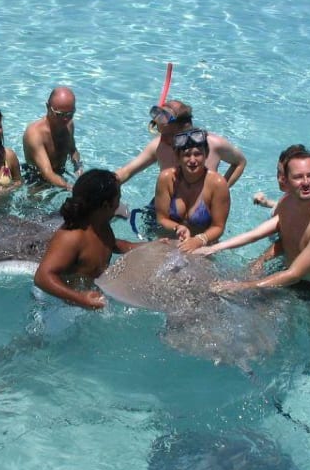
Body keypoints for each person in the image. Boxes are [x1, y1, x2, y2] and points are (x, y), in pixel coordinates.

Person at [203, 149, 310, 301]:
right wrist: (211, 248)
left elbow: (294, 274)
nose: (306, 182)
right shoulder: (287, 202)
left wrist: (239, 286)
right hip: (289, 272)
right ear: (286, 181)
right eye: (298, 177)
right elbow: (257, 234)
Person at [34, 169, 140, 309]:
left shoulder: (100, 224)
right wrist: (81, 299)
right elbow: (42, 277)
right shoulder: (72, 237)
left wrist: (149, 246)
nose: (118, 205)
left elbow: (111, 244)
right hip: (61, 304)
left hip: (89, 296)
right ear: (105, 205)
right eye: (118, 199)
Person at [116, 99, 246, 188]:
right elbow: (127, 171)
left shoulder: (214, 144)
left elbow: (240, 162)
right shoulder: (158, 146)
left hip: (202, 204)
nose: (162, 139)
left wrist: (221, 191)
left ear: (184, 129)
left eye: (168, 136)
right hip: (168, 201)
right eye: (161, 134)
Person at [153, 129, 231, 253]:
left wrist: (199, 240)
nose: (193, 160)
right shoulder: (166, 178)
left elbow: (218, 226)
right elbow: (161, 218)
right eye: (187, 155)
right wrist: (178, 227)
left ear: (206, 154)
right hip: (169, 240)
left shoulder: (217, 184)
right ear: (178, 157)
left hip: (201, 247)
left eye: (198, 154)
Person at [22, 86, 83, 190]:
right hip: (36, 179)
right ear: (48, 107)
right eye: (60, 114)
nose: (65, 119)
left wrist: (78, 168)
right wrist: (70, 187)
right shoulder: (34, 134)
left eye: (70, 114)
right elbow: (47, 173)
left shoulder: (69, 124)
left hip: (61, 173)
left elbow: (73, 150)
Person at [252, 143, 308, 212]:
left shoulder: (301, 208)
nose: (279, 179)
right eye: (278, 172)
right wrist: (266, 202)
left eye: (284, 175)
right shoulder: (293, 196)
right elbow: (285, 206)